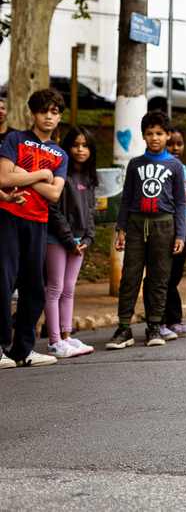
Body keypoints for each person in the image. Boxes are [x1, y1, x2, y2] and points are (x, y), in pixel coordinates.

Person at [106, 110, 186, 350]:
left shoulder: (175, 166)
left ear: (168, 136)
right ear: (143, 136)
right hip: (135, 225)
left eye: (160, 133)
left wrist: (181, 234)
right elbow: (127, 198)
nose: (155, 138)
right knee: (130, 276)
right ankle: (123, 327)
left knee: (158, 277)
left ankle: (154, 325)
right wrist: (120, 228)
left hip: (164, 225)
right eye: (150, 133)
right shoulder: (135, 164)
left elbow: (181, 202)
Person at [0, 88, 68, 368]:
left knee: (34, 287)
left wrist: (22, 177)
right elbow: (3, 178)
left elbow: (54, 195)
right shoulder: (15, 139)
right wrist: (41, 175)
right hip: (8, 216)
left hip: (38, 222)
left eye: (54, 112)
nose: (49, 117)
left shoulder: (60, 154)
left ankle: (23, 350)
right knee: (3, 282)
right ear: (33, 113)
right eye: (44, 111)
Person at [44, 126, 98, 358]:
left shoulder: (89, 177)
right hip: (57, 239)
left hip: (79, 241)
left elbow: (90, 212)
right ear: (67, 147)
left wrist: (88, 238)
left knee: (69, 288)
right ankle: (54, 341)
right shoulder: (60, 175)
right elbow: (53, 211)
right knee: (54, 288)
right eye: (76, 145)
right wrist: (69, 240)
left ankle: (66, 336)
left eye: (85, 145)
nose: (80, 149)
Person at [155, 127, 186, 340]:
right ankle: (161, 321)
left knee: (176, 273)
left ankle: (174, 320)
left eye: (179, 144)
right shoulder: (163, 166)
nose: (175, 148)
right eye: (171, 143)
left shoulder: (184, 168)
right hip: (168, 222)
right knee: (166, 274)